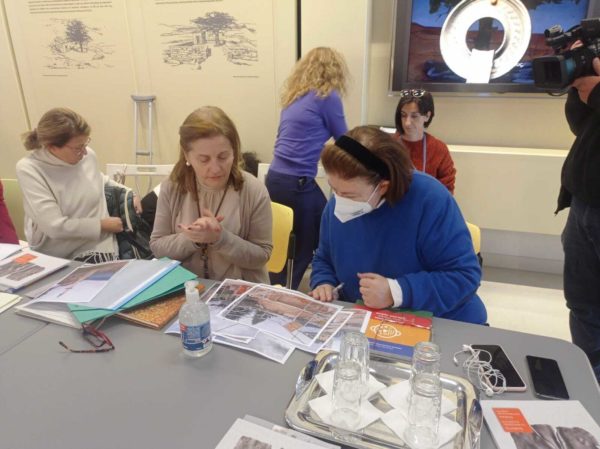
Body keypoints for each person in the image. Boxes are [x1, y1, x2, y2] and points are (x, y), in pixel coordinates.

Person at [309, 126, 486, 324]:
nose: (339, 200)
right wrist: (324, 282)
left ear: (383, 186)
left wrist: (397, 291)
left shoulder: (430, 199)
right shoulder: (339, 201)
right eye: (334, 189)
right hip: (366, 318)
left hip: (440, 319)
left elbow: (464, 277)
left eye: (349, 195)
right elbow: (324, 257)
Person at [150, 106, 272, 283]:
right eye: (204, 159)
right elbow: (157, 248)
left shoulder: (253, 190)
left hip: (241, 290)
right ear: (187, 156)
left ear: (234, 151)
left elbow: (262, 256)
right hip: (188, 289)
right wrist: (192, 238)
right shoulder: (172, 187)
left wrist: (220, 238)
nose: (215, 168)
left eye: (223, 157)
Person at [265, 46, 349, 289]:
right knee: (309, 240)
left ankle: (287, 286)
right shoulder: (327, 97)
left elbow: (289, 138)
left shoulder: (293, 98)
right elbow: (345, 141)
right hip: (297, 183)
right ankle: (284, 293)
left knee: (295, 237)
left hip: (276, 178)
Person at [16, 107, 141, 262]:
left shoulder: (87, 156)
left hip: (99, 245)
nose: (85, 152)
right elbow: (54, 226)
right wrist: (101, 225)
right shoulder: (30, 169)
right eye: (78, 148)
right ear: (51, 147)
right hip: (56, 252)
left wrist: (130, 193)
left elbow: (99, 179)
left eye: (85, 143)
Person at [556, 56, 600, 383]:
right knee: (582, 304)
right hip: (583, 202)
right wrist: (579, 88)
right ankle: (590, 382)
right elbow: (581, 125)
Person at [394, 89, 456, 194]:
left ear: (427, 116)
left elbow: (446, 191)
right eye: (403, 115)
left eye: (414, 116)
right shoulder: (388, 146)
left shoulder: (438, 149)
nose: (407, 123)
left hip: (428, 203)